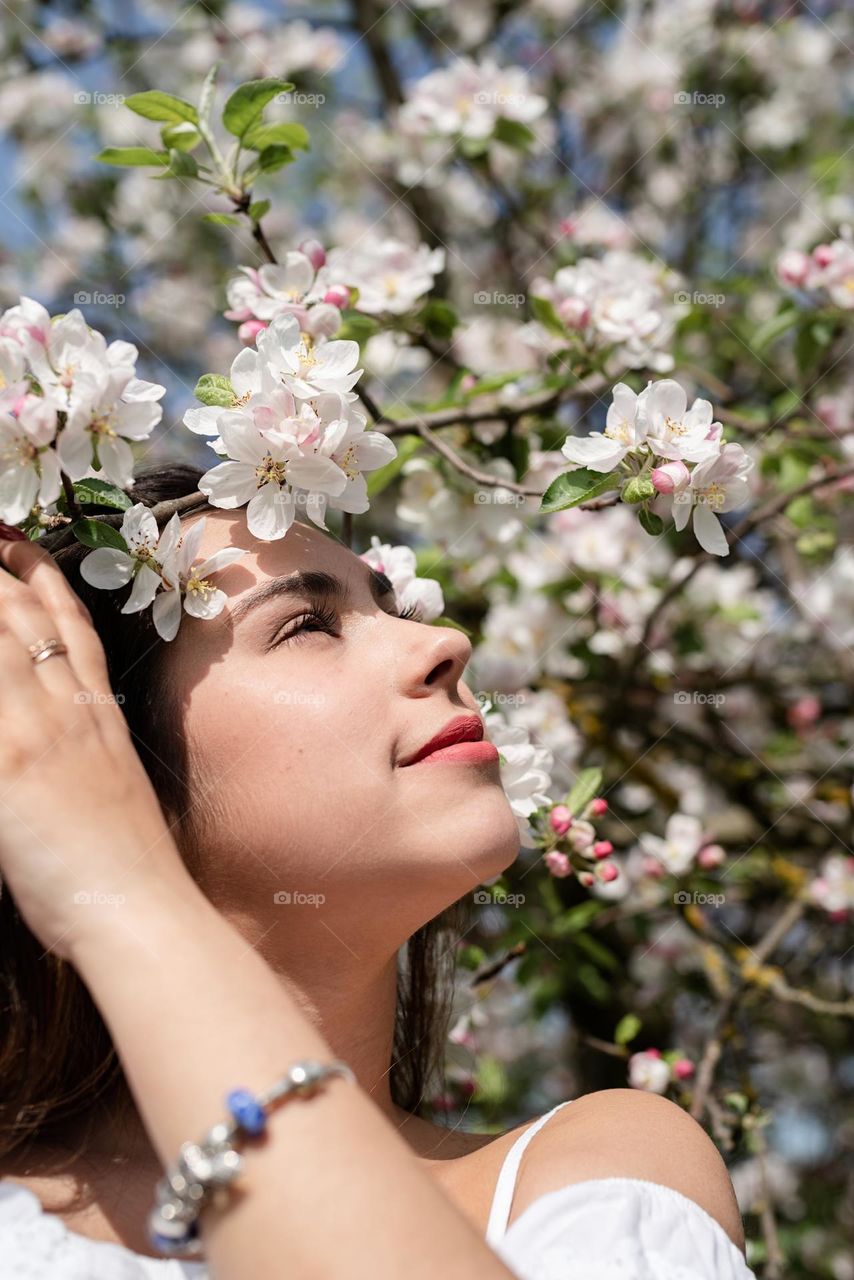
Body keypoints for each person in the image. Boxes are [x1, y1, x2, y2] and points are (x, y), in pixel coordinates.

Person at [0, 464, 756, 1278]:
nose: (445, 642)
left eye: (390, 606)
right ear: (110, 759)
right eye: (307, 625)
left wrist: (131, 907)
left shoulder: (594, 1174)